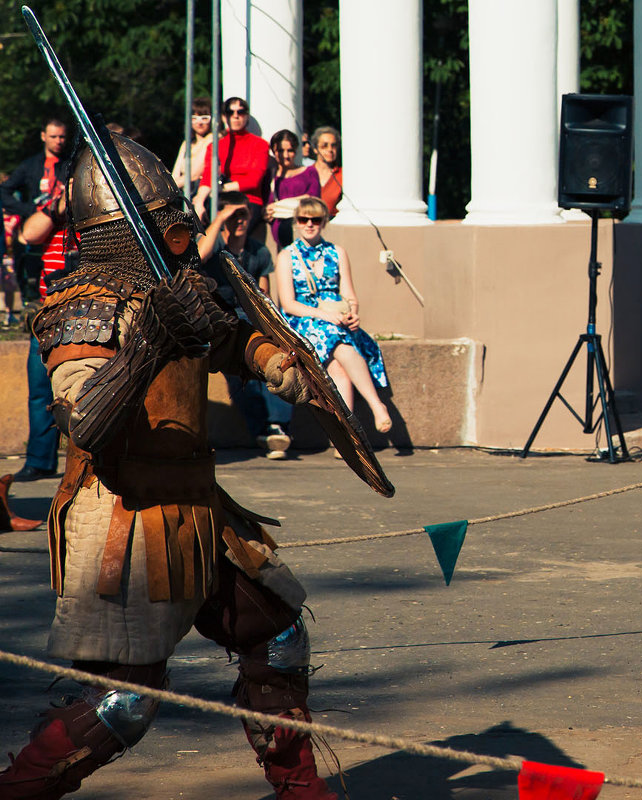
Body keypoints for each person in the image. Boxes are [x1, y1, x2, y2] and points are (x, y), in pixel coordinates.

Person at [0, 132, 339, 800]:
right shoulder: (82, 308)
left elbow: (227, 334)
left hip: (199, 508)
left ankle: (302, 792)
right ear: (124, 231)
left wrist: (272, 360)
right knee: (124, 705)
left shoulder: (177, 288)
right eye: (162, 221)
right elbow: (87, 421)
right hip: (121, 519)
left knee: (279, 636)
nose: (178, 229)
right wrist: (148, 344)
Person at [276, 195, 391, 434]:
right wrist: (323, 315)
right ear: (296, 222)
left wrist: (353, 314)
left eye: (315, 219)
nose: (309, 224)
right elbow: (288, 305)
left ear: (324, 222)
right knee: (336, 338)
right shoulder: (287, 255)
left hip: (336, 322)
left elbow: (349, 295)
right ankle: (376, 405)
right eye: (304, 219)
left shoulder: (337, 252)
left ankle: (346, 436)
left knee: (338, 366)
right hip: (303, 321)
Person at [197, 190, 295, 459]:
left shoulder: (258, 251)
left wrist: (275, 327)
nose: (240, 220)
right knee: (241, 377)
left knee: (276, 363)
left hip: (251, 319)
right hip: (221, 320)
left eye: (244, 214)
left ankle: (277, 427)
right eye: (234, 214)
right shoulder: (215, 246)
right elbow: (198, 256)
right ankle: (263, 430)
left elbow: (264, 296)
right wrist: (220, 219)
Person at [10, 175, 72, 484]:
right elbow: (29, 234)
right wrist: (59, 206)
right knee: (39, 389)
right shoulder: (54, 214)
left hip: (89, 312)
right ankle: (39, 460)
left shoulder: (102, 219)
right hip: (50, 312)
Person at [1, 118, 70, 304]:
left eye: (62, 137)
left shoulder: (71, 164)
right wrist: (28, 210)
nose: (58, 141)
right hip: (35, 234)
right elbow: (4, 191)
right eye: (53, 136)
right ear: (43, 136)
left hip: (63, 237)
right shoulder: (29, 166)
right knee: (34, 290)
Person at [192, 97, 270, 234]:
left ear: (246, 116)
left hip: (249, 200)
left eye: (241, 112)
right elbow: (208, 175)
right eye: (230, 112)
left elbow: (254, 180)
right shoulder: (215, 146)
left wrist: (221, 188)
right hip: (222, 201)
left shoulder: (260, 145)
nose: (235, 116)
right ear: (223, 117)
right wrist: (199, 202)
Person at [264, 130, 320, 249]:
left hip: (304, 229)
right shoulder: (270, 177)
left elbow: (314, 199)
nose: (286, 155)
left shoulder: (309, 172)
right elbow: (266, 204)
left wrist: (280, 206)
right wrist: (266, 212)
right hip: (279, 234)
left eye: (290, 150)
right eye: (280, 151)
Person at [170, 97, 214, 193]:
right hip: (183, 191)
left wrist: (169, 189)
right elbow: (175, 173)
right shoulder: (186, 144)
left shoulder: (212, 139)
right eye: (194, 118)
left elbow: (194, 173)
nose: (199, 123)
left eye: (204, 118)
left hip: (199, 191)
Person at [310, 126, 343, 219]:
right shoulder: (305, 173)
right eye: (324, 146)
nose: (330, 149)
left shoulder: (343, 175)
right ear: (315, 149)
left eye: (334, 145)